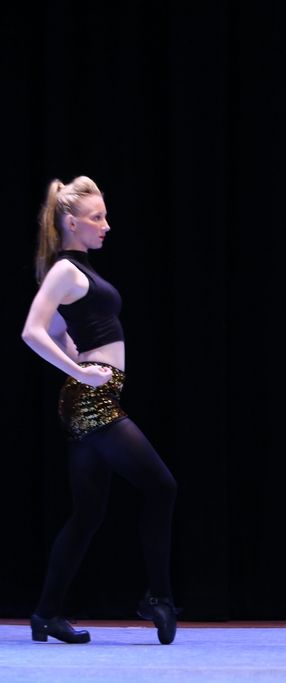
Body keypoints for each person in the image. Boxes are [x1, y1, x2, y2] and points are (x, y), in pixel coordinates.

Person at [21, 176, 179, 645]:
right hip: (91, 399)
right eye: (96, 217)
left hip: (90, 396)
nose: (106, 225)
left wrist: (75, 355)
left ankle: (46, 614)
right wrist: (79, 370)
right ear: (71, 223)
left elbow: (57, 330)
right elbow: (32, 331)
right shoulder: (65, 270)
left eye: (105, 215)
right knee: (162, 486)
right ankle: (158, 597)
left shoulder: (77, 272)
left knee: (88, 514)